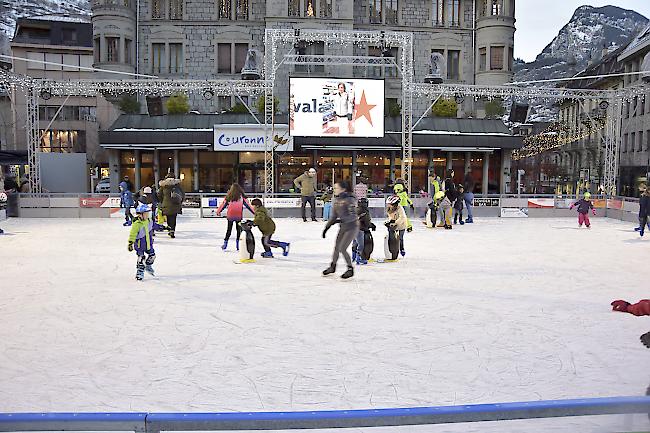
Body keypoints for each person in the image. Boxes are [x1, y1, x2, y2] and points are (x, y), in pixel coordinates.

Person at [322, 181, 359, 279]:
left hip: (352, 226)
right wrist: (327, 227)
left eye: (336, 188)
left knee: (342, 248)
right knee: (337, 247)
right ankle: (332, 266)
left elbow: (353, 216)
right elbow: (333, 216)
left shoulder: (350, 200)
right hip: (343, 226)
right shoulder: (336, 200)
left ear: (343, 189)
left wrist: (340, 220)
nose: (334, 190)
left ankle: (350, 269)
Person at [216, 183, 254, 250]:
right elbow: (248, 206)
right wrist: (254, 212)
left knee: (229, 230)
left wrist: (218, 211)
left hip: (230, 216)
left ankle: (225, 244)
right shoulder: (242, 197)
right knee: (238, 230)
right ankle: (238, 245)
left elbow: (223, 205)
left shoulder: (229, 197)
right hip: (238, 216)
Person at [127, 203, 156, 281]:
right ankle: (140, 272)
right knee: (141, 258)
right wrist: (130, 243)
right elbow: (132, 234)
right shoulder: (137, 224)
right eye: (146, 214)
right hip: (140, 245)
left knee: (152, 256)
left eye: (148, 214)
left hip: (149, 244)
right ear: (140, 215)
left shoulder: (149, 221)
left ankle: (148, 266)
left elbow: (155, 225)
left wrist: (164, 227)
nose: (147, 215)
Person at [158, 173, 184, 238]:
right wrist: (180, 201)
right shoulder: (177, 185)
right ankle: (172, 230)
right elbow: (182, 194)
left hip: (166, 205)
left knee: (168, 218)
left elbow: (159, 195)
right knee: (173, 218)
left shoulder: (163, 186)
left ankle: (170, 229)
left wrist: (162, 201)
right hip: (175, 205)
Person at [352, 197, 376, 265]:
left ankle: (353, 256)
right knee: (361, 244)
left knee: (355, 243)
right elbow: (366, 222)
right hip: (360, 229)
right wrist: (372, 226)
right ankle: (359, 258)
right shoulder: (364, 211)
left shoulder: (357, 210)